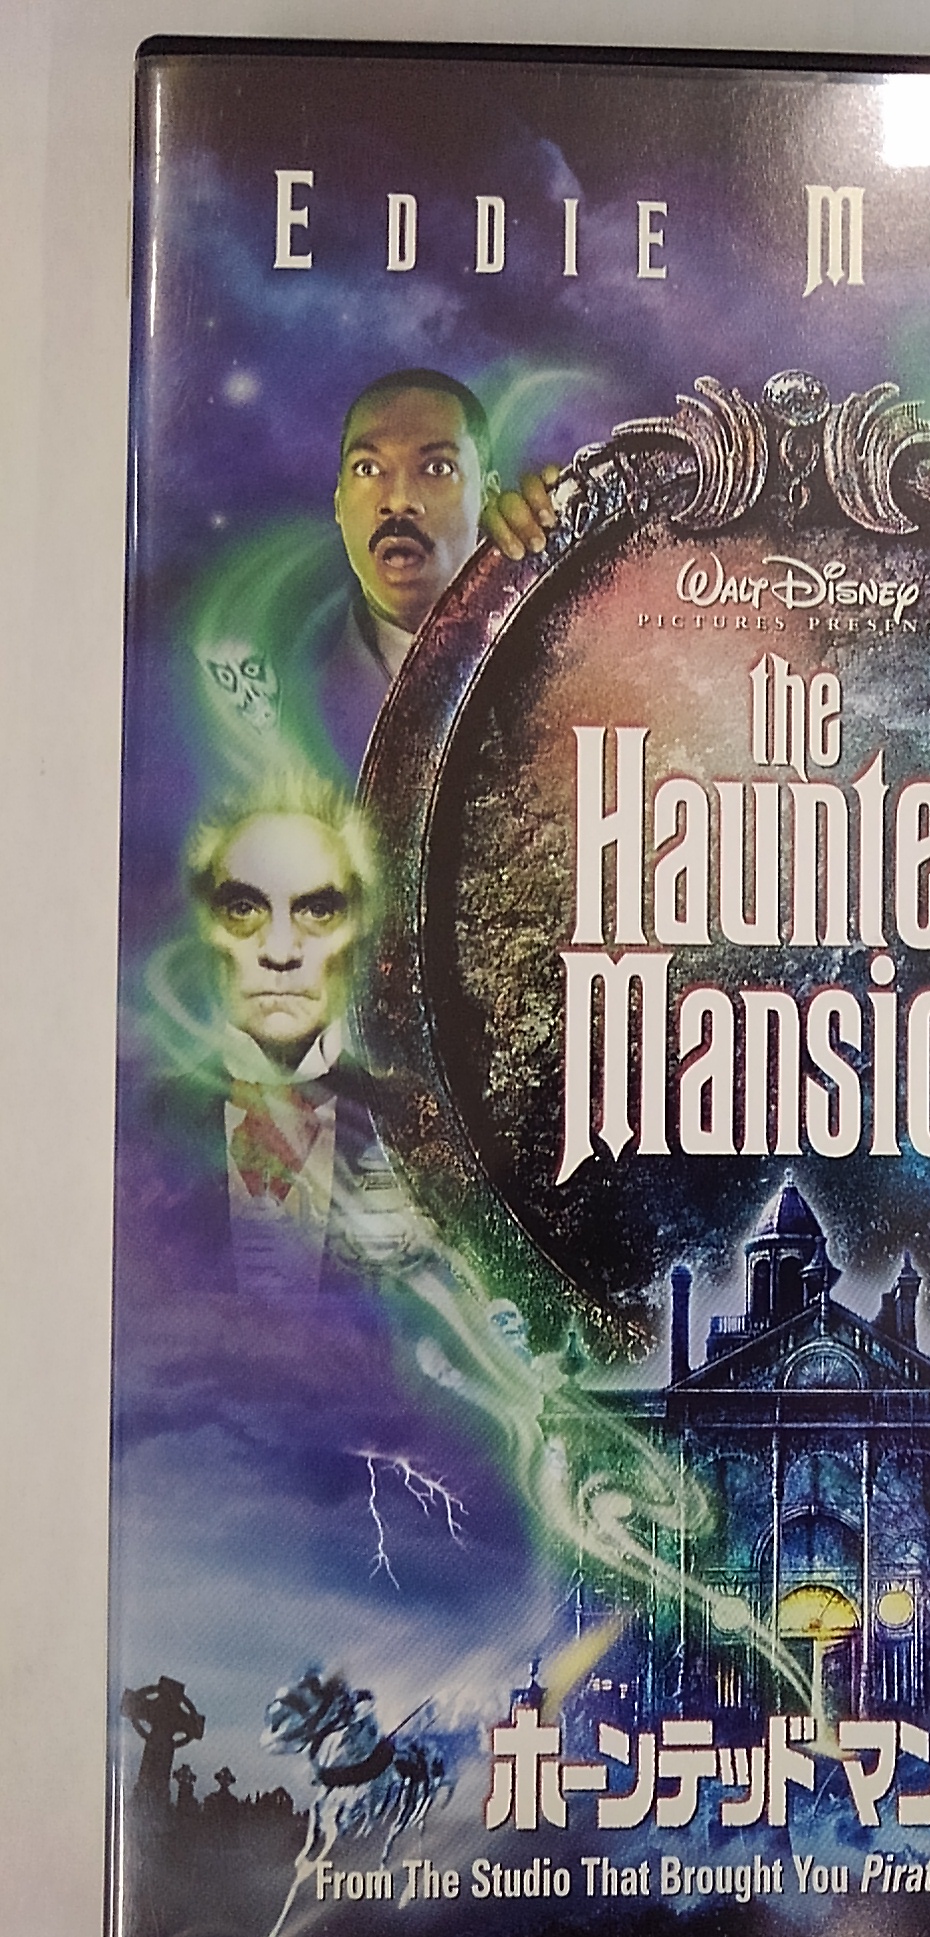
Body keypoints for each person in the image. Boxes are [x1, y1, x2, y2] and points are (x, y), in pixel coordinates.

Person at [153, 774, 422, 1294]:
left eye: (318, 910)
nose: (279, 951)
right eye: (243, 910)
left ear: (361, 925)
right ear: (206, 926)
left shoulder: (409, 1127)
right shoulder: (153, 1125)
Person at [325, 367, 559, 769]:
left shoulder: (546, 652)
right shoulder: (289, 692)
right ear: (338, 504)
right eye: (368, 469)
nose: (399, 501)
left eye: (437, 468)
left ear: (487, 495)